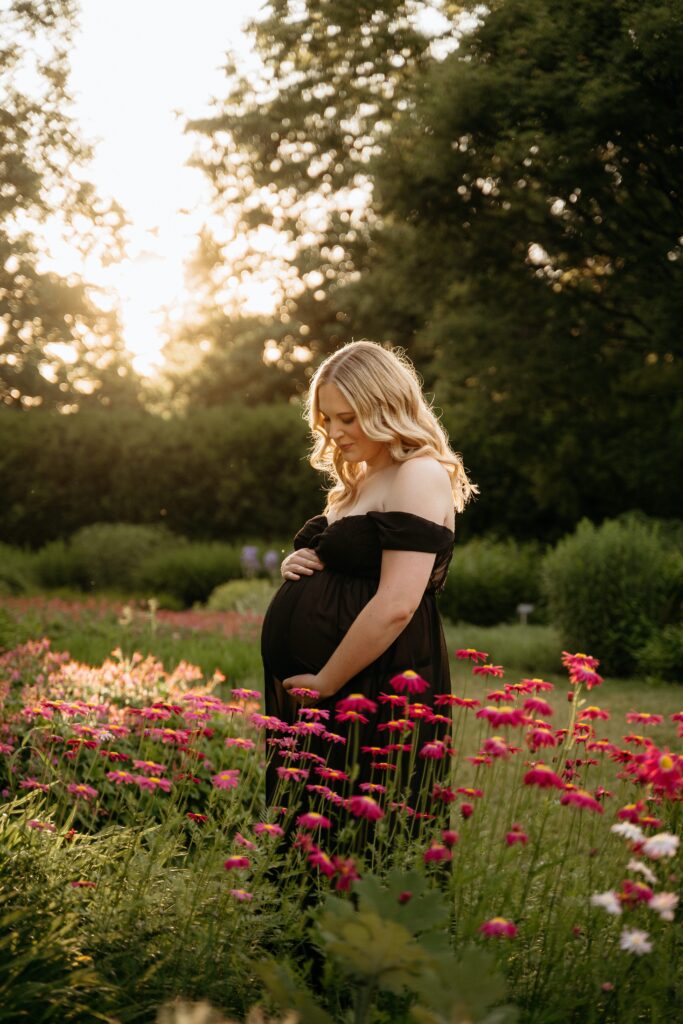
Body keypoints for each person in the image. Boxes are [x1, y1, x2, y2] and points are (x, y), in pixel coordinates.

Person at [260, 340, 477, 819]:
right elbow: (337, 562)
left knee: (363, 829)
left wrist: (325, 681)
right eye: (327, 420)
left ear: (386, 407)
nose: (335, 432)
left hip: (372, 679)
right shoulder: (358, 479)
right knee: (309, 830)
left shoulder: (417, 473)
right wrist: (294, 564)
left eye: (348, 418)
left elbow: (399, 601)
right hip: (329, 686)